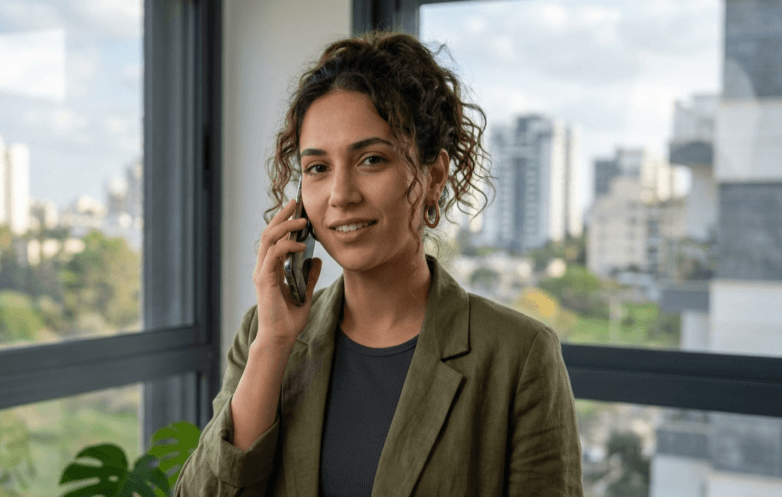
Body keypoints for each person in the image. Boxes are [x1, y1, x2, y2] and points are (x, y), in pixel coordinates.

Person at [176, 30, 583, 496]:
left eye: (371, 160)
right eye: (317, 168)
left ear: (433, 177)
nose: (341, 195)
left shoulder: (520, 355)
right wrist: (273, 345)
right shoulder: (263, 335)